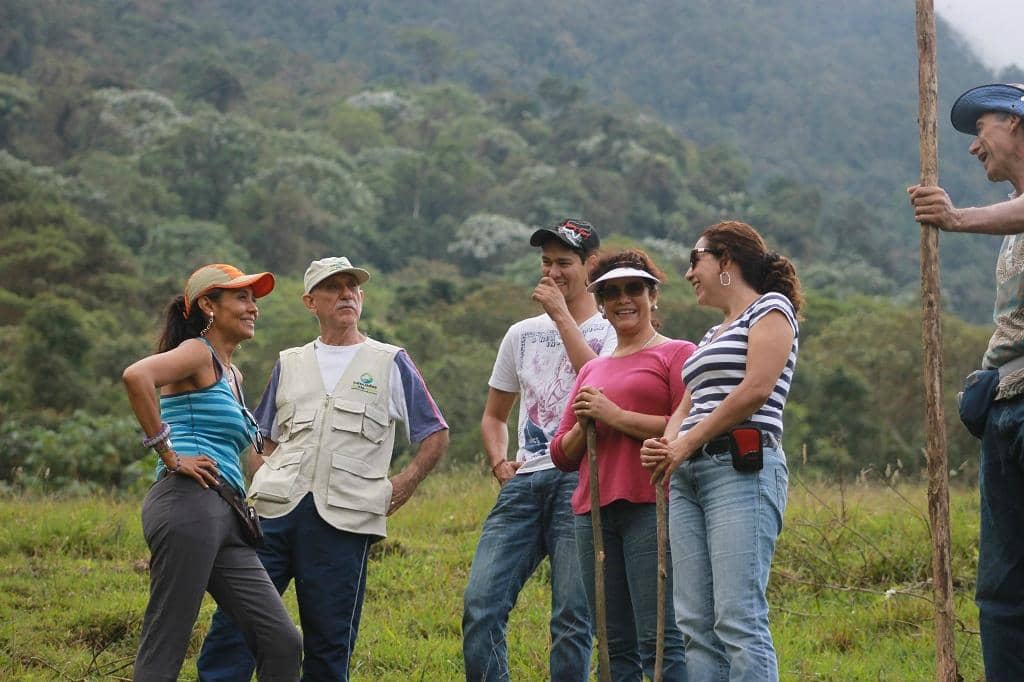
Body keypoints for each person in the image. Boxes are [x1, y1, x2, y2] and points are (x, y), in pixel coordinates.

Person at [197, 256, 449, 681]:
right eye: (333, 288)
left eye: (352, 287)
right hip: (274, 514)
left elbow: (434, 433)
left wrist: (400, 488)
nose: (345, 295)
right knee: (235, 627)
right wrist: (264, 478)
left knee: (330, 642)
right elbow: (261, 437)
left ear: (362, 298)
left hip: (345, 519)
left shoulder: (389, 361)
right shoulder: (290, 361)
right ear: (311, 302)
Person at [122, 263, 301, 682]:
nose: (252, 307)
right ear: (208, 305)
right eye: (241, 297)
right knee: (167, 642)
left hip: (228, 515)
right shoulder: (197, 352)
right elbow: (137, 376)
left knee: (282, 642)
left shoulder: (233, 374)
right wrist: (168, 453)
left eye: (254, 299)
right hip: (188, 503)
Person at [640, 221, 802, 682]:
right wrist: (668, 445)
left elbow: (756, 388)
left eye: (696, 260)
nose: (689, 273)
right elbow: (686, 406)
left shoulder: (771, 309)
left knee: (738, 618)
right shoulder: (712, 335)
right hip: (688, 477)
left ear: (725, 261)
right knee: (694, 624)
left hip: (741, 468)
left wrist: (686, 442)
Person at [462, 218, 616, 681]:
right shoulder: (520, 334)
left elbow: (599, 380)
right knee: (481, 604)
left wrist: (562, 316)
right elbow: (494, 415)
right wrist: (498, 462)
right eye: (546, 262)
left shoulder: (612, 330)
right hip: (525, 481)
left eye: (564, 263)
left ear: (591, 267)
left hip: (583, 479)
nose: (552, 273)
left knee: (572, 618)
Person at [909, 82, 1024, 680]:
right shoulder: (1010, 221)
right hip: (1007, 406)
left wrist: (954, 216)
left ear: (1016, 121)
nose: (974, 147)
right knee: (1002, 584)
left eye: (981, 129)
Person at [550, 249, 693, 681]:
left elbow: (686, 426)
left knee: (659, 639)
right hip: (592, 513)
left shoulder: (677, 354)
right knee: (614, 645)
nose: (623, 299)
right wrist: (585, 425)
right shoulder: (592, 368)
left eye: (634, 288)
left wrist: (615, 416)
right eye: (611, 292)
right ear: (601, 303)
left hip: (652, 505)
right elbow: (561, 452)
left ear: (654, 297)